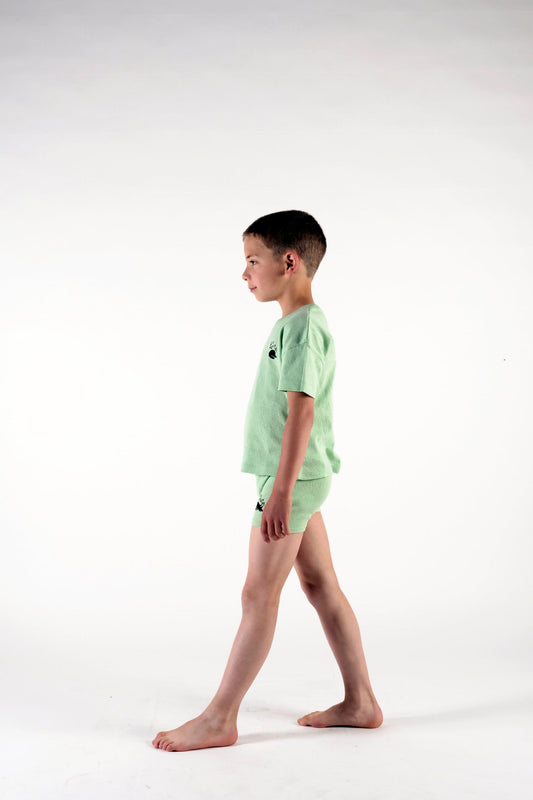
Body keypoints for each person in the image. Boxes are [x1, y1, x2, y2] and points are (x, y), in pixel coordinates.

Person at [152, 210, 383, 752]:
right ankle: (361, 702)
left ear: (290, 261)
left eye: (253, 260)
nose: (245, 273)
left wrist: (279, 492)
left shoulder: (302, 327)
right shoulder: (296, 324)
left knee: (258, 594)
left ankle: (219, 719)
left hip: (291, 482)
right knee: (319, 585)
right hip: (299, 478)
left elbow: (302, 411)